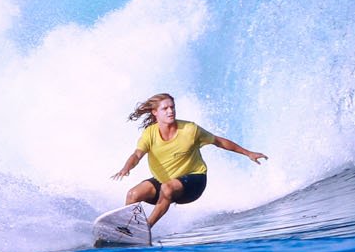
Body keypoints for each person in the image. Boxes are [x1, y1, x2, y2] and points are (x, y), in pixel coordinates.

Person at [111, 92, 267, 228]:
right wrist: (126, 168)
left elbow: (219, 141)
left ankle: (146, 228)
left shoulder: (190, 129)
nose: (170, 111)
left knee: (167, 188)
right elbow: (137, 155)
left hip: (194, 182)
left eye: (172, 107)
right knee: (133, 194)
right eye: (165, 108)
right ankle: (127, 229)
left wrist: (248, 153)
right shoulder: (149, 134)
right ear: (155, 112)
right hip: (166, 181)